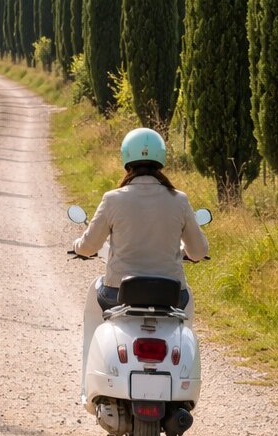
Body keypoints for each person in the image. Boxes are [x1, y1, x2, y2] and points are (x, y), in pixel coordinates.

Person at [70, 128, 209, 399]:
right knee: (187, 302)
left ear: (126, 159)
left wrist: (78, 247)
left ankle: (92, 385)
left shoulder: (113, 199)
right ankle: (180, 373)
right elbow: (199, 251)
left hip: (118, 294)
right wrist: (188, 253)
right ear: (161, 160)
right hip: (170, 296)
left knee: (95, 306)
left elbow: (89, 246)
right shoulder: (179, 200)